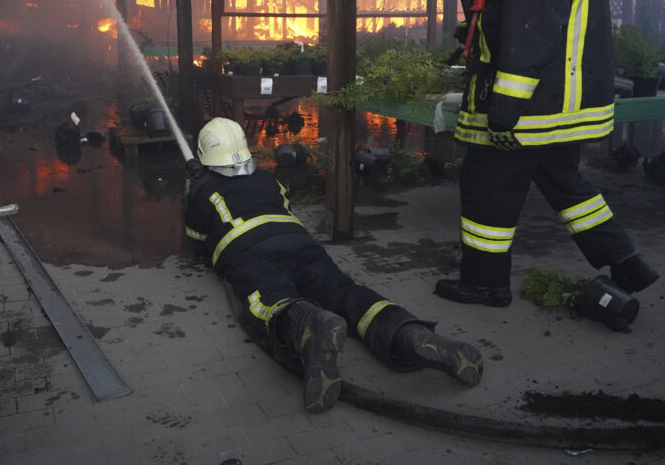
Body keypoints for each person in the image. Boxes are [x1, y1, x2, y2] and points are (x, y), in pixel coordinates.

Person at [435, 0, 659, 309]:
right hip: (566, 108)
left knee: (488, 189)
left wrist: (504, 107)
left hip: (531, 110)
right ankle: (626, 261)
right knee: (565, 183)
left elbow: (530, 32)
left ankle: (485, 284)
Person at [184, 117, 483, 413]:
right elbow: (283, 207)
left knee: (269, 298)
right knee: (343, 291)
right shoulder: (267, 177)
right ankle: (408, 334)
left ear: (204, 155)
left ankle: (310, 324)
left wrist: (195, 189)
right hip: (299, 242)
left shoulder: (201, 190)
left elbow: (196, 242)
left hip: (250, 253)